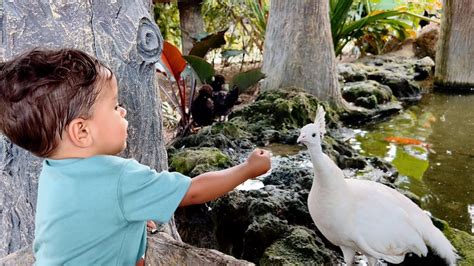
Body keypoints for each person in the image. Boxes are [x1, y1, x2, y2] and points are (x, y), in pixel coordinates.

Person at [0, 48, 271, 265]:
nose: (123, 112)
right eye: (114, 106)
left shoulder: (54, 170)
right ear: (82, 131)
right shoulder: (120, 177)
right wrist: (247, 169)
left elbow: (91, 215)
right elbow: (193, 192)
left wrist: (133, 212)